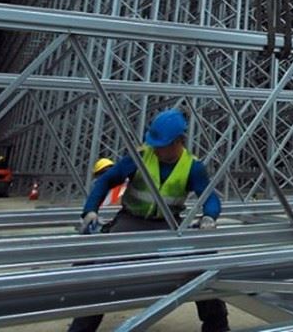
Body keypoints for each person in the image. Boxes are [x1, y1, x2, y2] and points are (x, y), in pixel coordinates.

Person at [68, 110, 229, 332]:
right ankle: (82, 328)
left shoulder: (193, 167)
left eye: (161, 144)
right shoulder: (140, 156)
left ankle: (217, 326)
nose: (156, 148)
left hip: (168, 226)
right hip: (130, 222)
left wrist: (209, 217)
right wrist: (90, 211)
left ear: (178, 142)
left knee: (202, 268)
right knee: (101, 270)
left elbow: (209, 197)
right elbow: (106, 181)